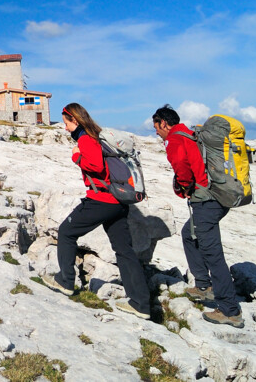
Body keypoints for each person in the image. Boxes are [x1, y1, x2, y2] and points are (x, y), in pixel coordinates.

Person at [41, 103, 151, 320]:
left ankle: (65, 281)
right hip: (118, 201)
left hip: (101, 200)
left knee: (66, 232)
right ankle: (141, 303)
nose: (65, 128)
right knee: (124, 250)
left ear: (75, 120)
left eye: (66, 124)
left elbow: (96, 166)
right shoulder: (98, 135)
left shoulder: (85, 138)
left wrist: (76, 157)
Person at [152, 104, 244, 328]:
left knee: (213, 253)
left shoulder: (176, 139)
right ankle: (203, 286)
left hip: (207, 200)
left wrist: (183, 187)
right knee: (189, 234)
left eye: (156, 126)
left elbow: (182, 167)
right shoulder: (191, 134)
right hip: (216, 198)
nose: (156, 131)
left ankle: (230, 310)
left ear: (164, 123)